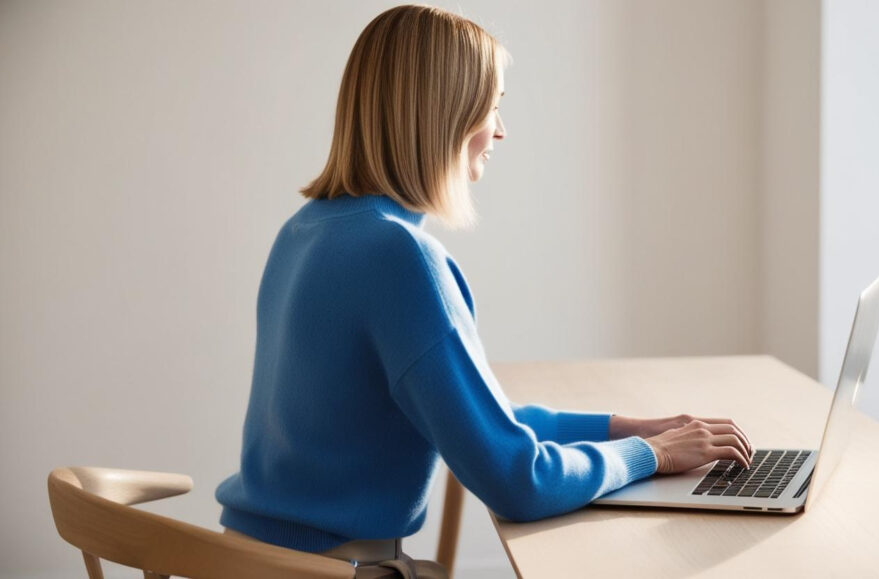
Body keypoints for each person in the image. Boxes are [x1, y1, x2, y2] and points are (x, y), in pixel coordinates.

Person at [215, 4, 753, 577]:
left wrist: (629, 429)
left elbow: (477, 419)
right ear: (442, 115)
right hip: (327, 571)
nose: (500, 129)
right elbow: (518, 481)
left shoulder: (305, 231)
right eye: (492, 107)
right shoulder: (398, 258)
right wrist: (656, 455)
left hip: (246, 559)